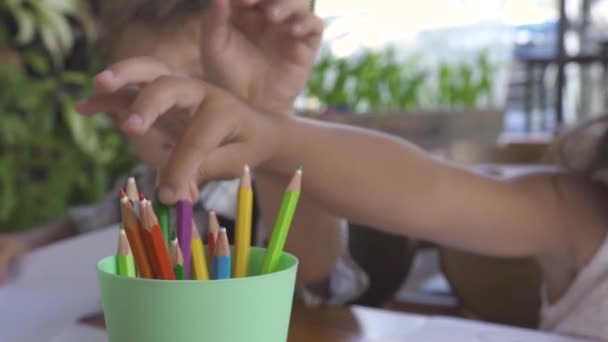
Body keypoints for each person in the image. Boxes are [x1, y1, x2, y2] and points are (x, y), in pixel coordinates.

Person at [83, 1, 608, 340]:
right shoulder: (576, 214)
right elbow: (423, 187)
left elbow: (321, 286)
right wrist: (268, 127)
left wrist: (266, 127)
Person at [1, 0, 368, 306]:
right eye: (145, 90)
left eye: (200, 84)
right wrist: (26, 243)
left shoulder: (265, 181)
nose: (174, 108)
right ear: (118, 113)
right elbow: (81, 224)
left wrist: (270, 131)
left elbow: (321, 278)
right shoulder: (141, 187)